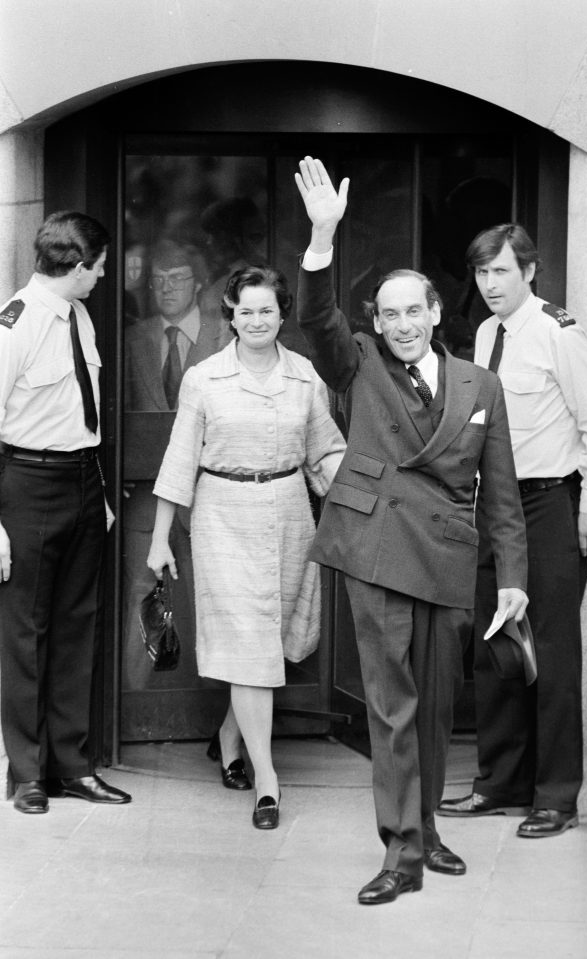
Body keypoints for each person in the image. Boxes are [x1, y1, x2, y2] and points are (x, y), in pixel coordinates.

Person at [294, 156, 528, 905]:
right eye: (385, 313)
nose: (399, 324)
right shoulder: (354, 362)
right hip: (374, 548)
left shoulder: (478, 383)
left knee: (433, 704)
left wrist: (514, 579)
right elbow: (316, 318)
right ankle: (399, 847)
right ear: (375, 323)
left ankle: (424, 825)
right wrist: (321, 236)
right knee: (390, 702)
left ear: (435, 313)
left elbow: (500, 493)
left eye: (411, 311)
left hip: (447, 558)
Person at [437, 223, 587, 837]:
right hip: (493, 508)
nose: (490, 285)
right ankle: (500, 783)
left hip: (547, 505)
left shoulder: (557, 334)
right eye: (483, 273)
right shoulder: (486, 332)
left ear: (530, 272)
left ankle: (556, 796)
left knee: (552, 651)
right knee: (496, 649)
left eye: (502, 273)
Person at [146, 264, 346, 829]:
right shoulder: (204, 378)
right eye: (245, 310)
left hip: (288, 514)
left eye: (267, 310)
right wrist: (161, 538)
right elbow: (180, 458)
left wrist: (360, 502)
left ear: (282, 315)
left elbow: (325, 452)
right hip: (222, 518)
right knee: (248, 641)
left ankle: (228, 738)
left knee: (269, 640)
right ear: (229, 315)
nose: (256, 320)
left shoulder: (306, 375)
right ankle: (267, 780)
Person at [0, 211, 132, 813]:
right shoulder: (15, 324)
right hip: (25, 483)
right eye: (99, 268)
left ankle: (71, 767)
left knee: (78, 625)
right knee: (25, 633)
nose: (102, 278)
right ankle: (26, 772)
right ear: (77, 267)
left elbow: (86, 418)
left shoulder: (79, 316)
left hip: (82, 480)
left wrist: (99, 492)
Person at [123, 240, 231, 691]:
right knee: (142, 594)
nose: (167, 288)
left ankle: (210, 703)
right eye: (158, 280)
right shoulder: (133, 337)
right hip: (148, 496)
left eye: (179, 278)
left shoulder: (225, 332)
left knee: (213, 601)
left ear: (199, 283)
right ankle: (135, 700)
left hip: (214, 495)